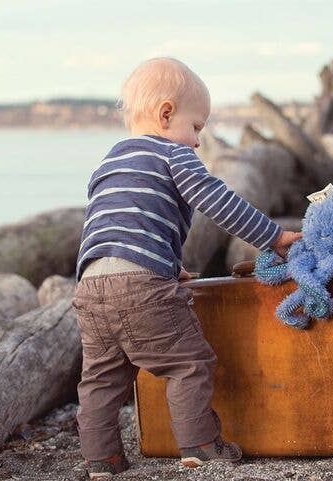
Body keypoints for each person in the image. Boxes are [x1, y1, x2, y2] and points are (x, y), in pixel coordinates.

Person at [71, 57, 302, 479]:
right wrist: (273, 236)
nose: (197, 141)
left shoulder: (108, 163)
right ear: (166, 115)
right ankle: (199, 444)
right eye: (196, 127)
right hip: (141, 287)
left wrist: (167, 263)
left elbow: (117, 223)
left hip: (89, 285)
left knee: (100, 379)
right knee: (188, 363)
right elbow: (218, 202)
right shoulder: (173, 152)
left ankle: (101, 459)